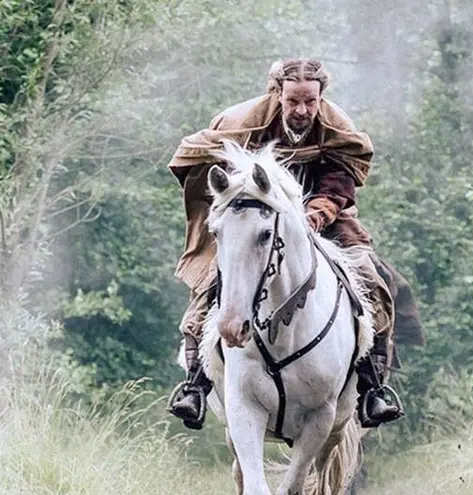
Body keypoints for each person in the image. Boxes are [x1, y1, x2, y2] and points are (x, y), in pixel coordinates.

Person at [165, 58, 424, 430]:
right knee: (212, 279)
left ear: (320, 98)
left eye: (310, 102)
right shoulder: (243, 125)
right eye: (293, 101)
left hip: (321, 221)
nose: (302, 111)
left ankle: (373, 387)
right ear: (278, 94)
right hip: (258, 221)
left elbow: (340, 182)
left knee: (371, 278)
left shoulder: (338, 128)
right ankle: (195, 383)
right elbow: (221, 173)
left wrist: (315, 215)